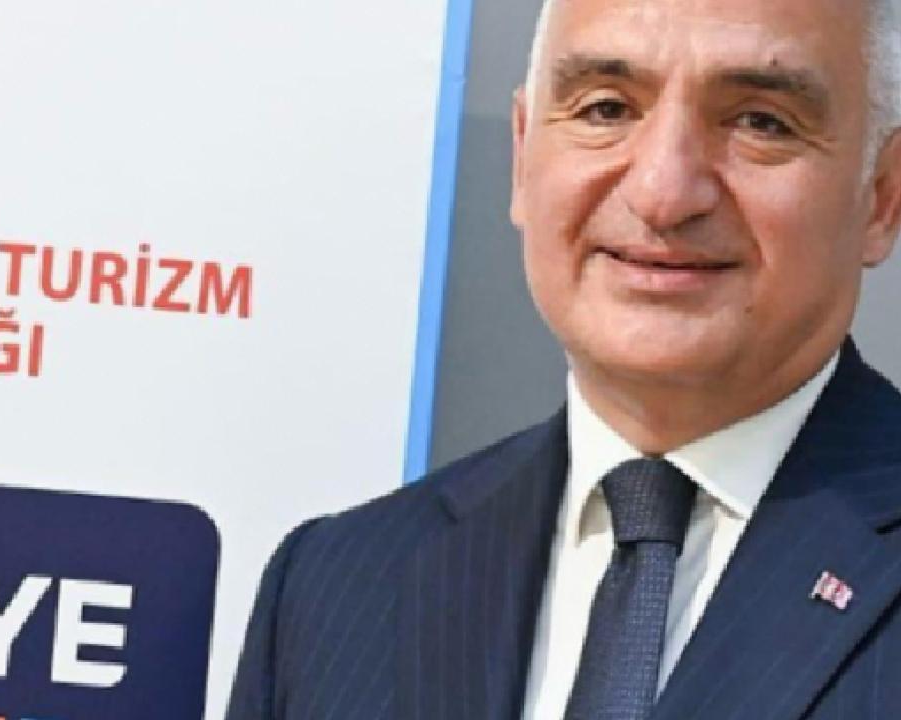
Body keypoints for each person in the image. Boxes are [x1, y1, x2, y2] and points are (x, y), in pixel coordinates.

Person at [225, 0, 901, 718]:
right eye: (606, 109)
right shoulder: (334, 585)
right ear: (523, 158)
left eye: (760, 122)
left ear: (882, 198)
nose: (663, 192)